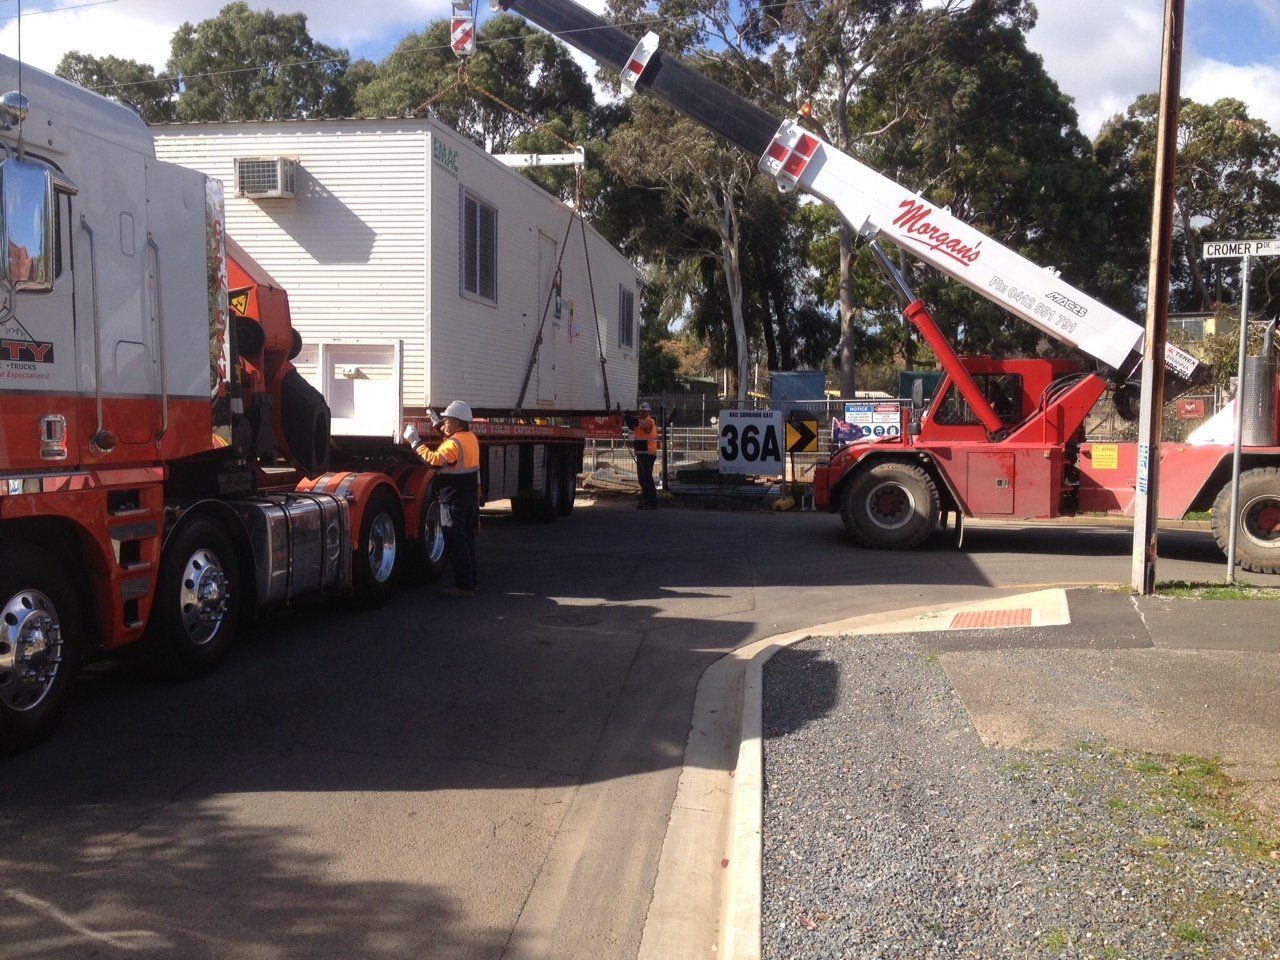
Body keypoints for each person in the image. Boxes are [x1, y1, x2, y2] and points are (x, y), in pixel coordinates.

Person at [403, 400, 480, 598]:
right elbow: (450, 439)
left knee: (456, 543)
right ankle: (471, 581)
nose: (444, 424)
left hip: (453, 501)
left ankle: (463, 586)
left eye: (447, 420)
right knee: (467, 541)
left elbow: (434, 460)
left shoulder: (454, 445)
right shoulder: (470, 438)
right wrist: (435, 421)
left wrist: (415, 441)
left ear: (456, 423)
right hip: (469, 498)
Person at [625, 402, 659, 510]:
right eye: (641, 411)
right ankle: (645, 500)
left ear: (648, 411)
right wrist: (626, 418)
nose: (642, 413)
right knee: (642, 478)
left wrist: (627, 416)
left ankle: (652, 502)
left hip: (648, 453)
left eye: (644, 411)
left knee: (647, 477)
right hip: (641, 453)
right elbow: (632, 426)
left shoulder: (649, 421)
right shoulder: (641, 422)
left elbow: (636, 422)